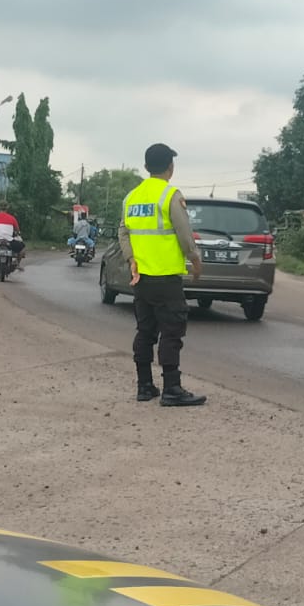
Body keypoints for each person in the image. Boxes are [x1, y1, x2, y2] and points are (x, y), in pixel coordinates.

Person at [119, 143, 206, 408]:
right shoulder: (170, 195)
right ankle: (172, 389)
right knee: (171, 331)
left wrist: (131, 259)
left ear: (146, 167)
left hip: (141, 278)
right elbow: (184, 233)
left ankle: (144, 385)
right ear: (171, 167)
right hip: (166, 278)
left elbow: (123, 232)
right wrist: (195, 260)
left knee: (145, 331)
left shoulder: (131, 197)